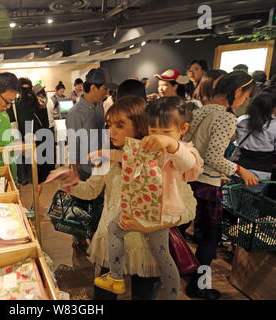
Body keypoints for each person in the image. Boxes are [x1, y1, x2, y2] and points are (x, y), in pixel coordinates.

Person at [51, 96, 163, 300]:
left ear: (139, 125)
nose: (112, 131)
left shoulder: (155, 158)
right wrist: (70, 182)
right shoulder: (108, 157)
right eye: (110, 125)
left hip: (145, 239)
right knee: (103, 296)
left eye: (120, 125)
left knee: (144, 294)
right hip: (109, 237)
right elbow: (91, 191)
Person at [94, 97, 203, 300]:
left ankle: (170, 294)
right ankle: (116, 277)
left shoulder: (183, 150)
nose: (158, 137)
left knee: (163, 258)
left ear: (183, 128)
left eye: (166, 131)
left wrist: (171, 143)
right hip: (143, 206)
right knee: (115, 230)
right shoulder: (146, 146)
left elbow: (188, 163)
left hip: (161, 213)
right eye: (154, 131)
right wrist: (105, 154)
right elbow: (127, 156)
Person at [182, 71, 259, 300]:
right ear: (237, 92)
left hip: (190, 179)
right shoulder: (226, 117)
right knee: (210, 237)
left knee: (180, 228)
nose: (245, 101)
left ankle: (176, 269)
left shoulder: (200, 110)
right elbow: (214, 156)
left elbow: (192, 147)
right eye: (246, 96)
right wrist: (239, 170)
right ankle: (199, 286)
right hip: (207, 185)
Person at [65, 68, 117, 251]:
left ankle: (93, 237)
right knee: (81, 204)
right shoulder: (75, 113)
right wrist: (74, 172)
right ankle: (79, 237)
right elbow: (72, 145)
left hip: (100, 164)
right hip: (85, 168)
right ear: (93, 87)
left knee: (96, 206)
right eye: (104, 88)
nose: (106, 92)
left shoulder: (98, 107)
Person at [15, 78, 54, 192]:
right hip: (43, 140)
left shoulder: (17, 105)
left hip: (27, 144)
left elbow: (20, 126)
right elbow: (45, 124)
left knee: (31, 174)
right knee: (42, 176)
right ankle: (41, 199)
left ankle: (33, 203)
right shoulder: (40, 102)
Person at [235, 93, 276, 182]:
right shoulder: (274, 125)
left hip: (239, 169)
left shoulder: (242, 120)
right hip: (262, 172)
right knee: (253, 195)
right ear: (272, 108)